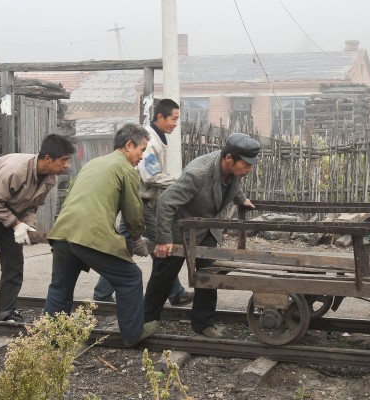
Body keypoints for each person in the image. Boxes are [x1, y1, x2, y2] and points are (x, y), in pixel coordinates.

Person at [44, 123, 158, 346]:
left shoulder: (93, 163)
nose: (142, 157)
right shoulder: (126, 170)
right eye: (141, 150)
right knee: (130, 278)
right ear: (128, 145)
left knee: (60, 286)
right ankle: (133, 335)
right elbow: (133, 213)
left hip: (63, 232)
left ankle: (51, 340)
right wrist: (137, 240)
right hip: (88, 235)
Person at [144, 132, 260, 339]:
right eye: (247, 164)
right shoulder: (198, 174)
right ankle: (147, 320)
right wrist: (164, 239)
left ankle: (203, 323)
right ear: (229, 159)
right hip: (179, 231)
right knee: (164, 276)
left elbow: (232, 184)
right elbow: (165, 202)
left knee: (209, 277)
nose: (249, 169)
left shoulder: (232, 169)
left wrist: (240, 199)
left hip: (208, 229)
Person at [0, 134, 75, 322]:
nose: (66, 165)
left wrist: (27, 226)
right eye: (64, 160)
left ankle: (7, 311)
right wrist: (16, 223)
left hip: (13, 214)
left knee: (14, 265)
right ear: (47, 158)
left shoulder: (50, 179)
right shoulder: (14, 170)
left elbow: (32, 206)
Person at [92, 99, 194, 306]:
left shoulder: (157, 138)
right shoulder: (150, 142)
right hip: (141, 203)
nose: (176, 123)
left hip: (141, 202)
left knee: (124, 247)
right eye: (173, 119)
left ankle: (102, 293)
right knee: (165, 243)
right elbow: (151, 176)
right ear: (160, 117)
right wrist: (181, 183)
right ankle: (175, 293)